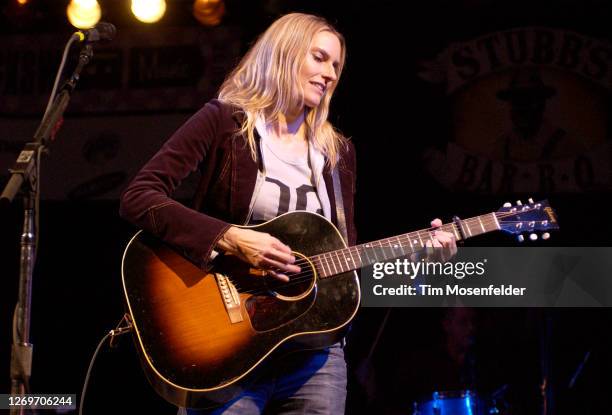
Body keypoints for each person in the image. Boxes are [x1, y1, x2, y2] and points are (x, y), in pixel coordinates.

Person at [119, 12, 456, 414]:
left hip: (315, 357)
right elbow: (139, 196)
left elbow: (342, 260)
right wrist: (230, 237)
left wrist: (416, 259)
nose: (329, 73)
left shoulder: (337, 153)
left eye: (336, 65)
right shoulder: (225, 122)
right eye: (319, 58)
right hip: (228, 345)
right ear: (284, 53)